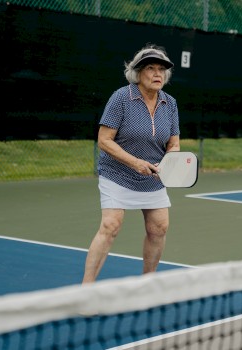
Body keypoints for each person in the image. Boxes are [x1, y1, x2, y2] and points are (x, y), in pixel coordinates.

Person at [82, 44, 179, 283]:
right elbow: (104, 140)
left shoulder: (170, 103)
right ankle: (85, 289)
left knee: (159, 228)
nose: (158, 74)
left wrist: (167, 165)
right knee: (111, 225)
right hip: (117, 173)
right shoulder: (121, 98)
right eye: (151, 68)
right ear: (137, 73)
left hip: (153, 177)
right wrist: (135, 162)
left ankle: (146, 284)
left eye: (161, 70)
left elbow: (174, 144)